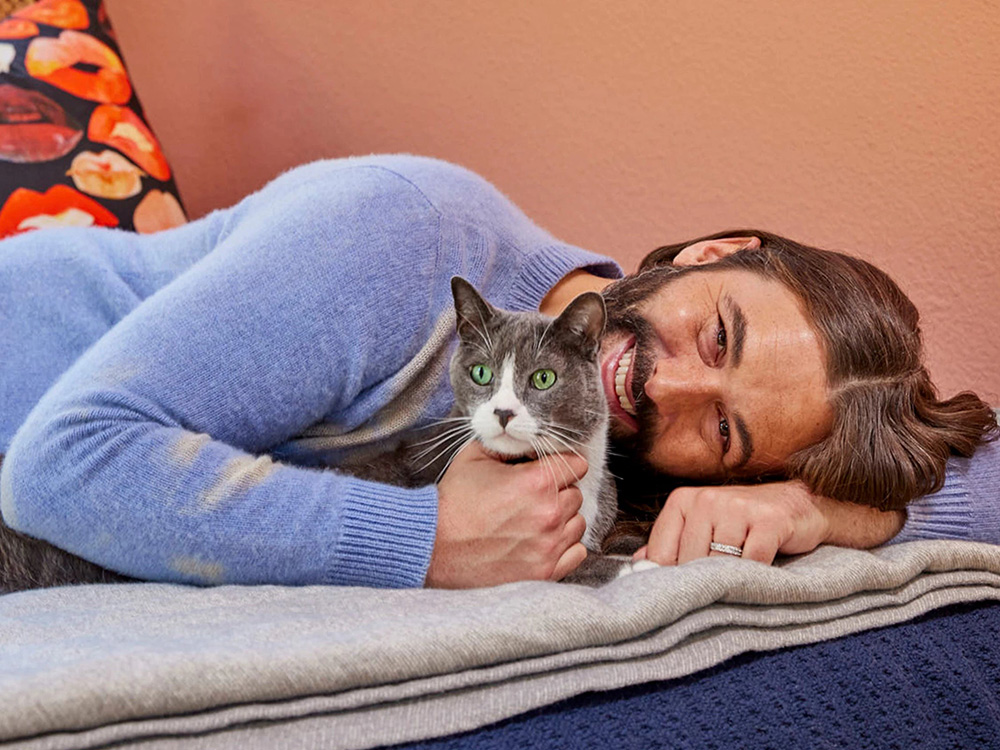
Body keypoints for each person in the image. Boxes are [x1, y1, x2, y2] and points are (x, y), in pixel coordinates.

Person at [0, 155, 996, 589]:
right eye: (719, 336)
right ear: (711, 252)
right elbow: (64, 464)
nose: (668, 389)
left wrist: (816, 510)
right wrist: (424, 541)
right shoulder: (408, 228)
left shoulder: (596, 477)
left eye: (725, 433)